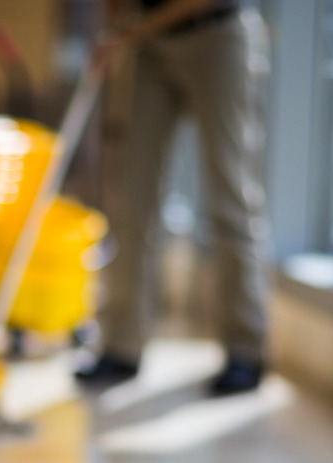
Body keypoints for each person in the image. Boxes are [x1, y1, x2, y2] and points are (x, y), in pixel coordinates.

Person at [76, 0, 269, 395]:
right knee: (131, 200)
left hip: (217, 35)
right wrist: (113, 22)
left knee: (229, 199)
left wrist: (130, 31)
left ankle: (246, 350)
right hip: (150, 47)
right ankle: (122, 345)